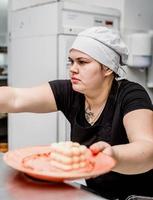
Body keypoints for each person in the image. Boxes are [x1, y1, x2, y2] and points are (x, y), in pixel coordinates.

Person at [1, 26, 153, 199]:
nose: (73, 68)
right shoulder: (71, 91)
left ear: (108, 68)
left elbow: (147, 148)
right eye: (71, 61)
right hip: (97, 194)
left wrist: (113, 156)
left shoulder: (131, 94)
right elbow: (15, 97)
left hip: (137, 195)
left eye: (82, 62)